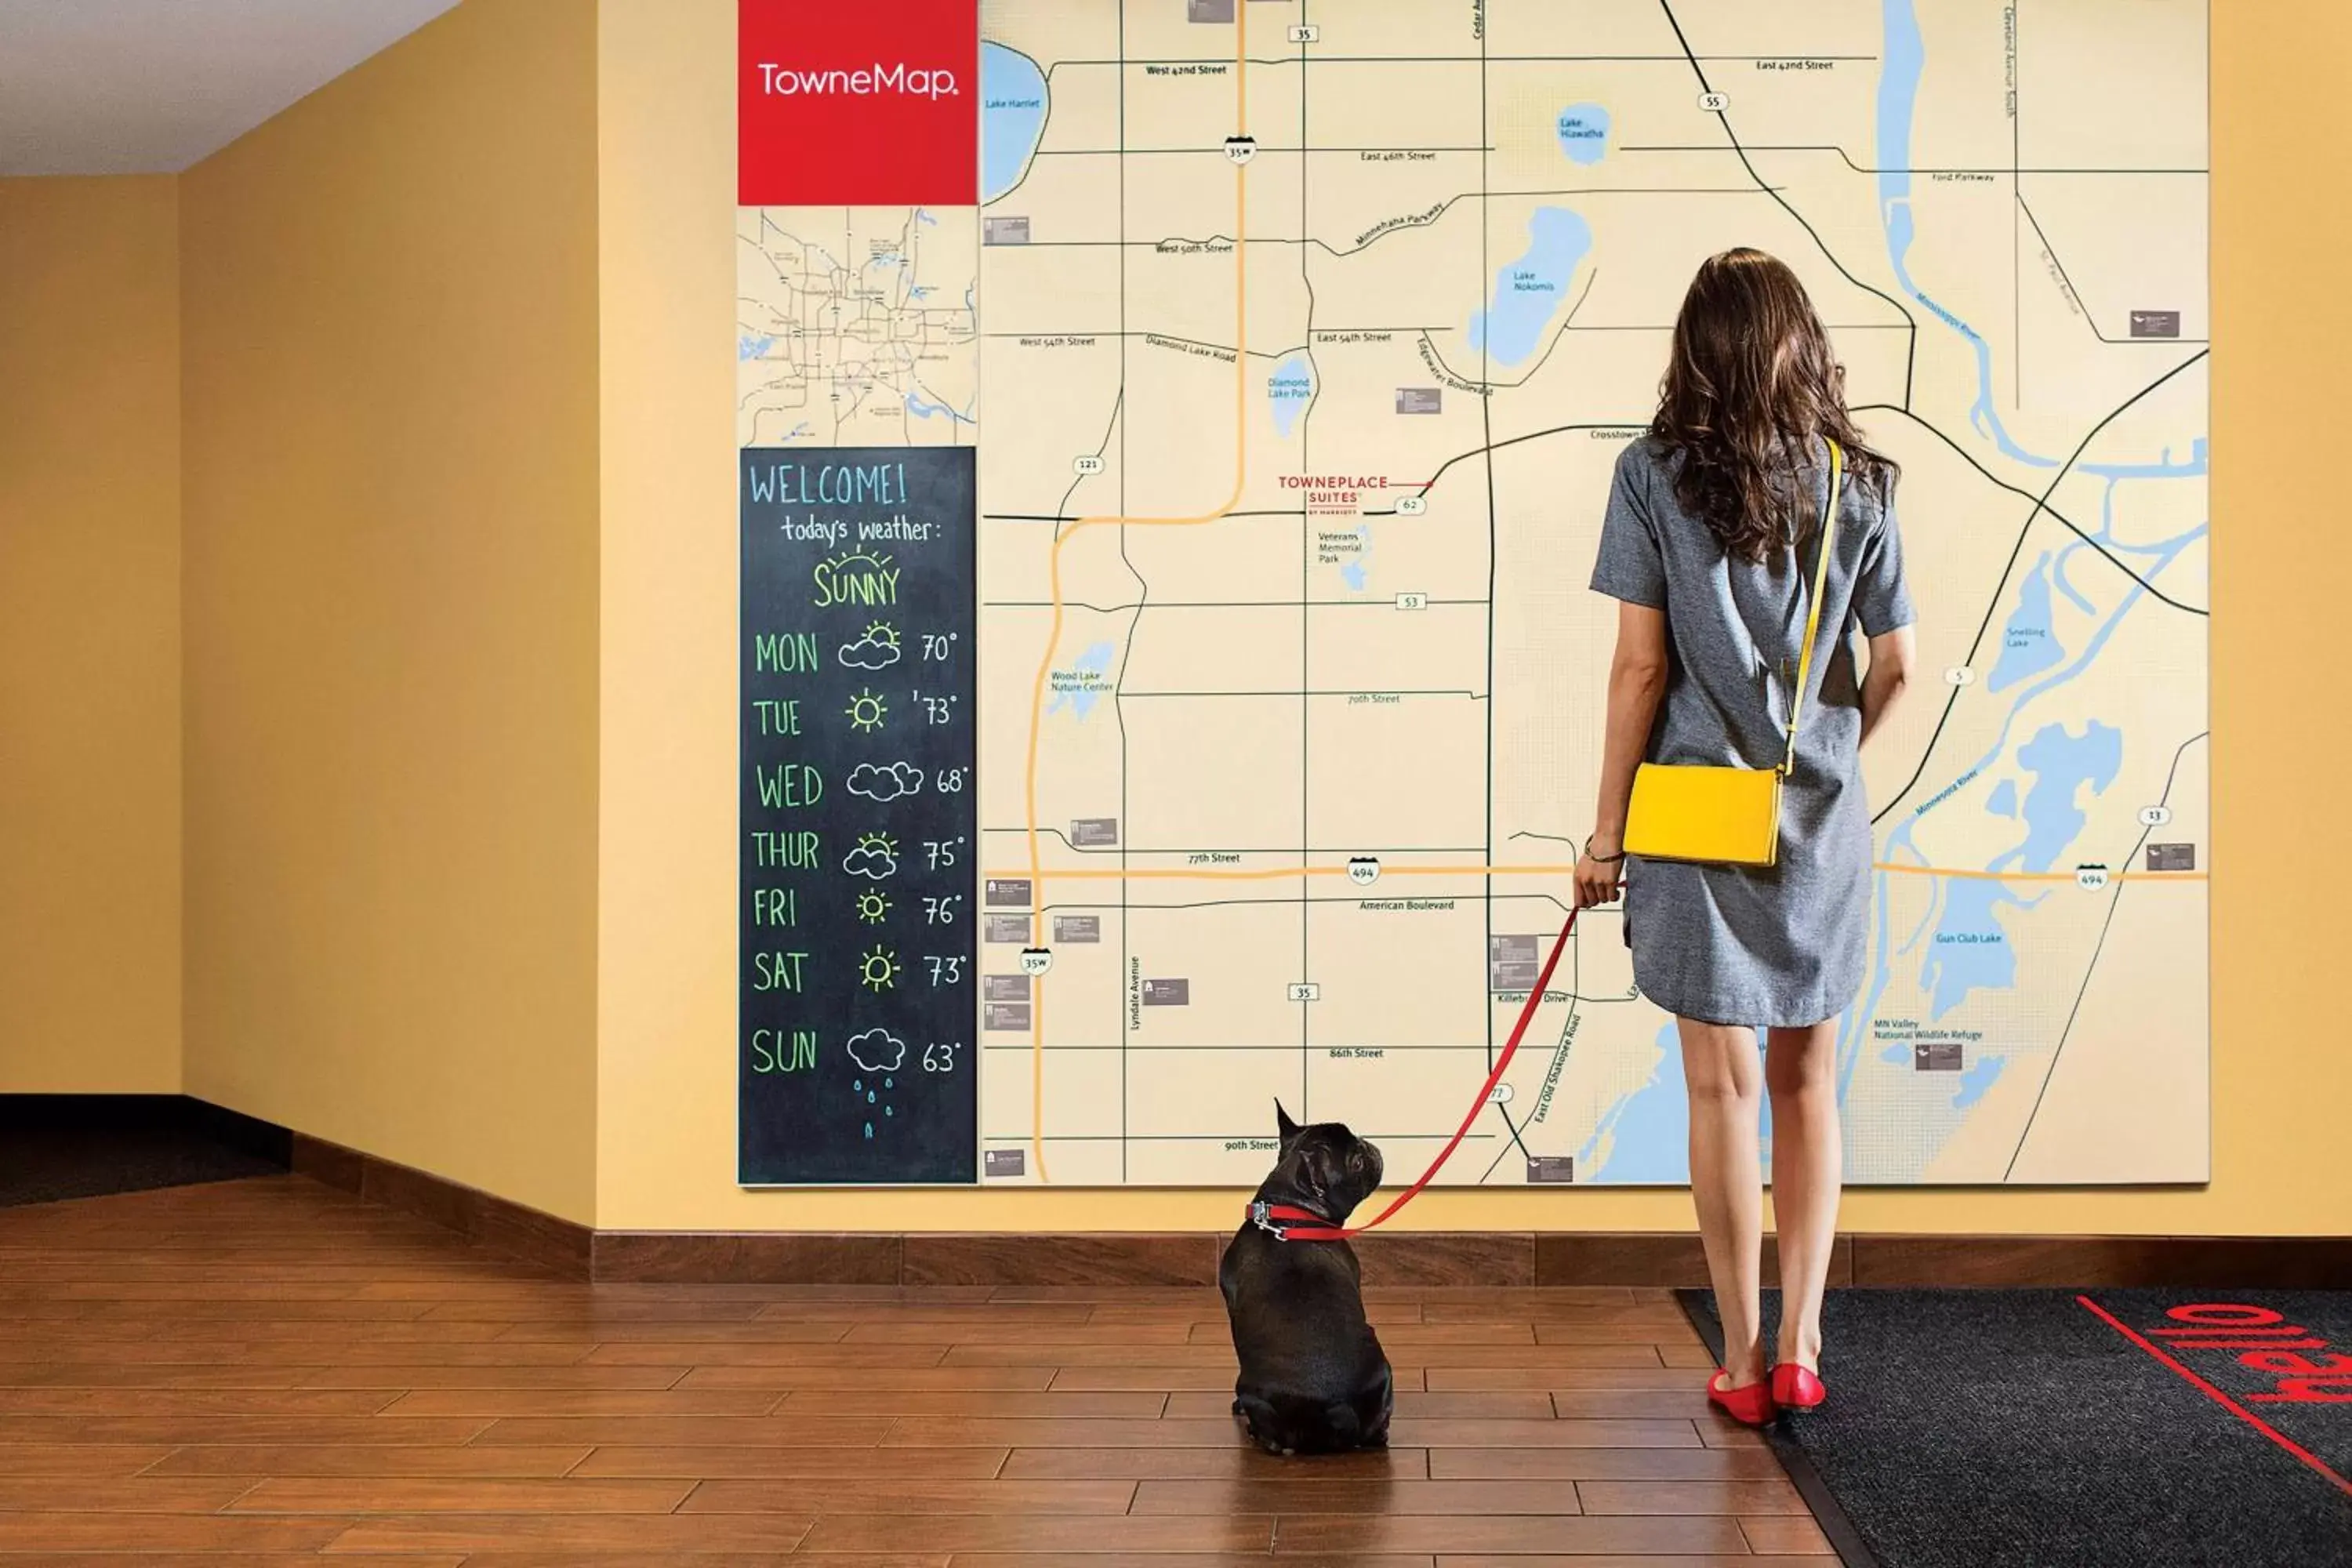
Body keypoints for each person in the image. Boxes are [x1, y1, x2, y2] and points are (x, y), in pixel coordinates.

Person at [1573, 248, 1917, 1425]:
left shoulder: (1648, 475)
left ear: (1694, 350)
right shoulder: (1858, 483)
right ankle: (1808, 1343)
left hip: (1688, 816)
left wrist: (1604, 837)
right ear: (1800, 343)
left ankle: (1739, 1352)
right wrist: (1824, 757)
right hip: (1818, 821)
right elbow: (1899, 668)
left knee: (1718, 1094)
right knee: (1808, 1081)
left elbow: (1641, 664)